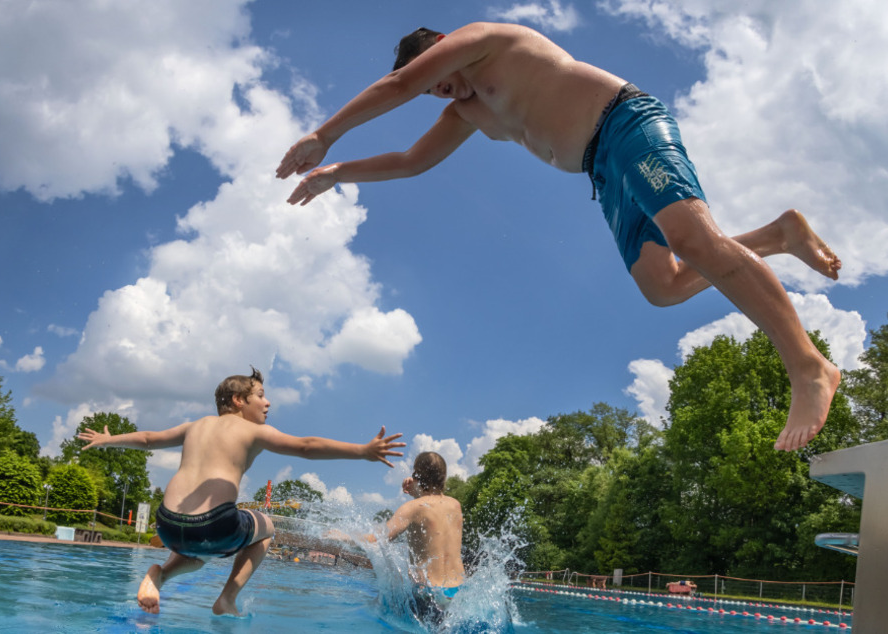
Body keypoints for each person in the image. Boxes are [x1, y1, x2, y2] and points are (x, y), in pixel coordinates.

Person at [276, 22, 842, 452]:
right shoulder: (468, 112)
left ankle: (808, 365)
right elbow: (410, 161)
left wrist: (325, 135)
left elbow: (401, 83)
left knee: (694, 241)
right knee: (663, 286)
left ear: (443, 48)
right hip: (603, 169)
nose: (440, 90)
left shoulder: (484, 39)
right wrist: (338, 171)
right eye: (434, 91)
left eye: (435, 76)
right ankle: (777, 235)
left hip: (626, 124)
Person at [78, 367, 405, 617]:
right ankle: (227, 598)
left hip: (166, 524)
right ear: (238, 401)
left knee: (195, 554)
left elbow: (149, 439)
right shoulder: (253, 430)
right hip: (213, 523)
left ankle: (159, 574)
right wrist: (362, 450)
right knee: (267, 528)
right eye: (261, 395)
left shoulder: (195, 425)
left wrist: (109, 440)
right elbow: (306, 447)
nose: (268, 402)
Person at [329, 452, 466, 624]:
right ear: (443, 477)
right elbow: (432, 509)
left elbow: (377, 539)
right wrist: (418, 489)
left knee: (374, 604)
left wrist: (345, 536)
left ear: (417, 475)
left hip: (429, 596)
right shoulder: (455, 505)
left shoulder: (411, 508)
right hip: (459, 594)